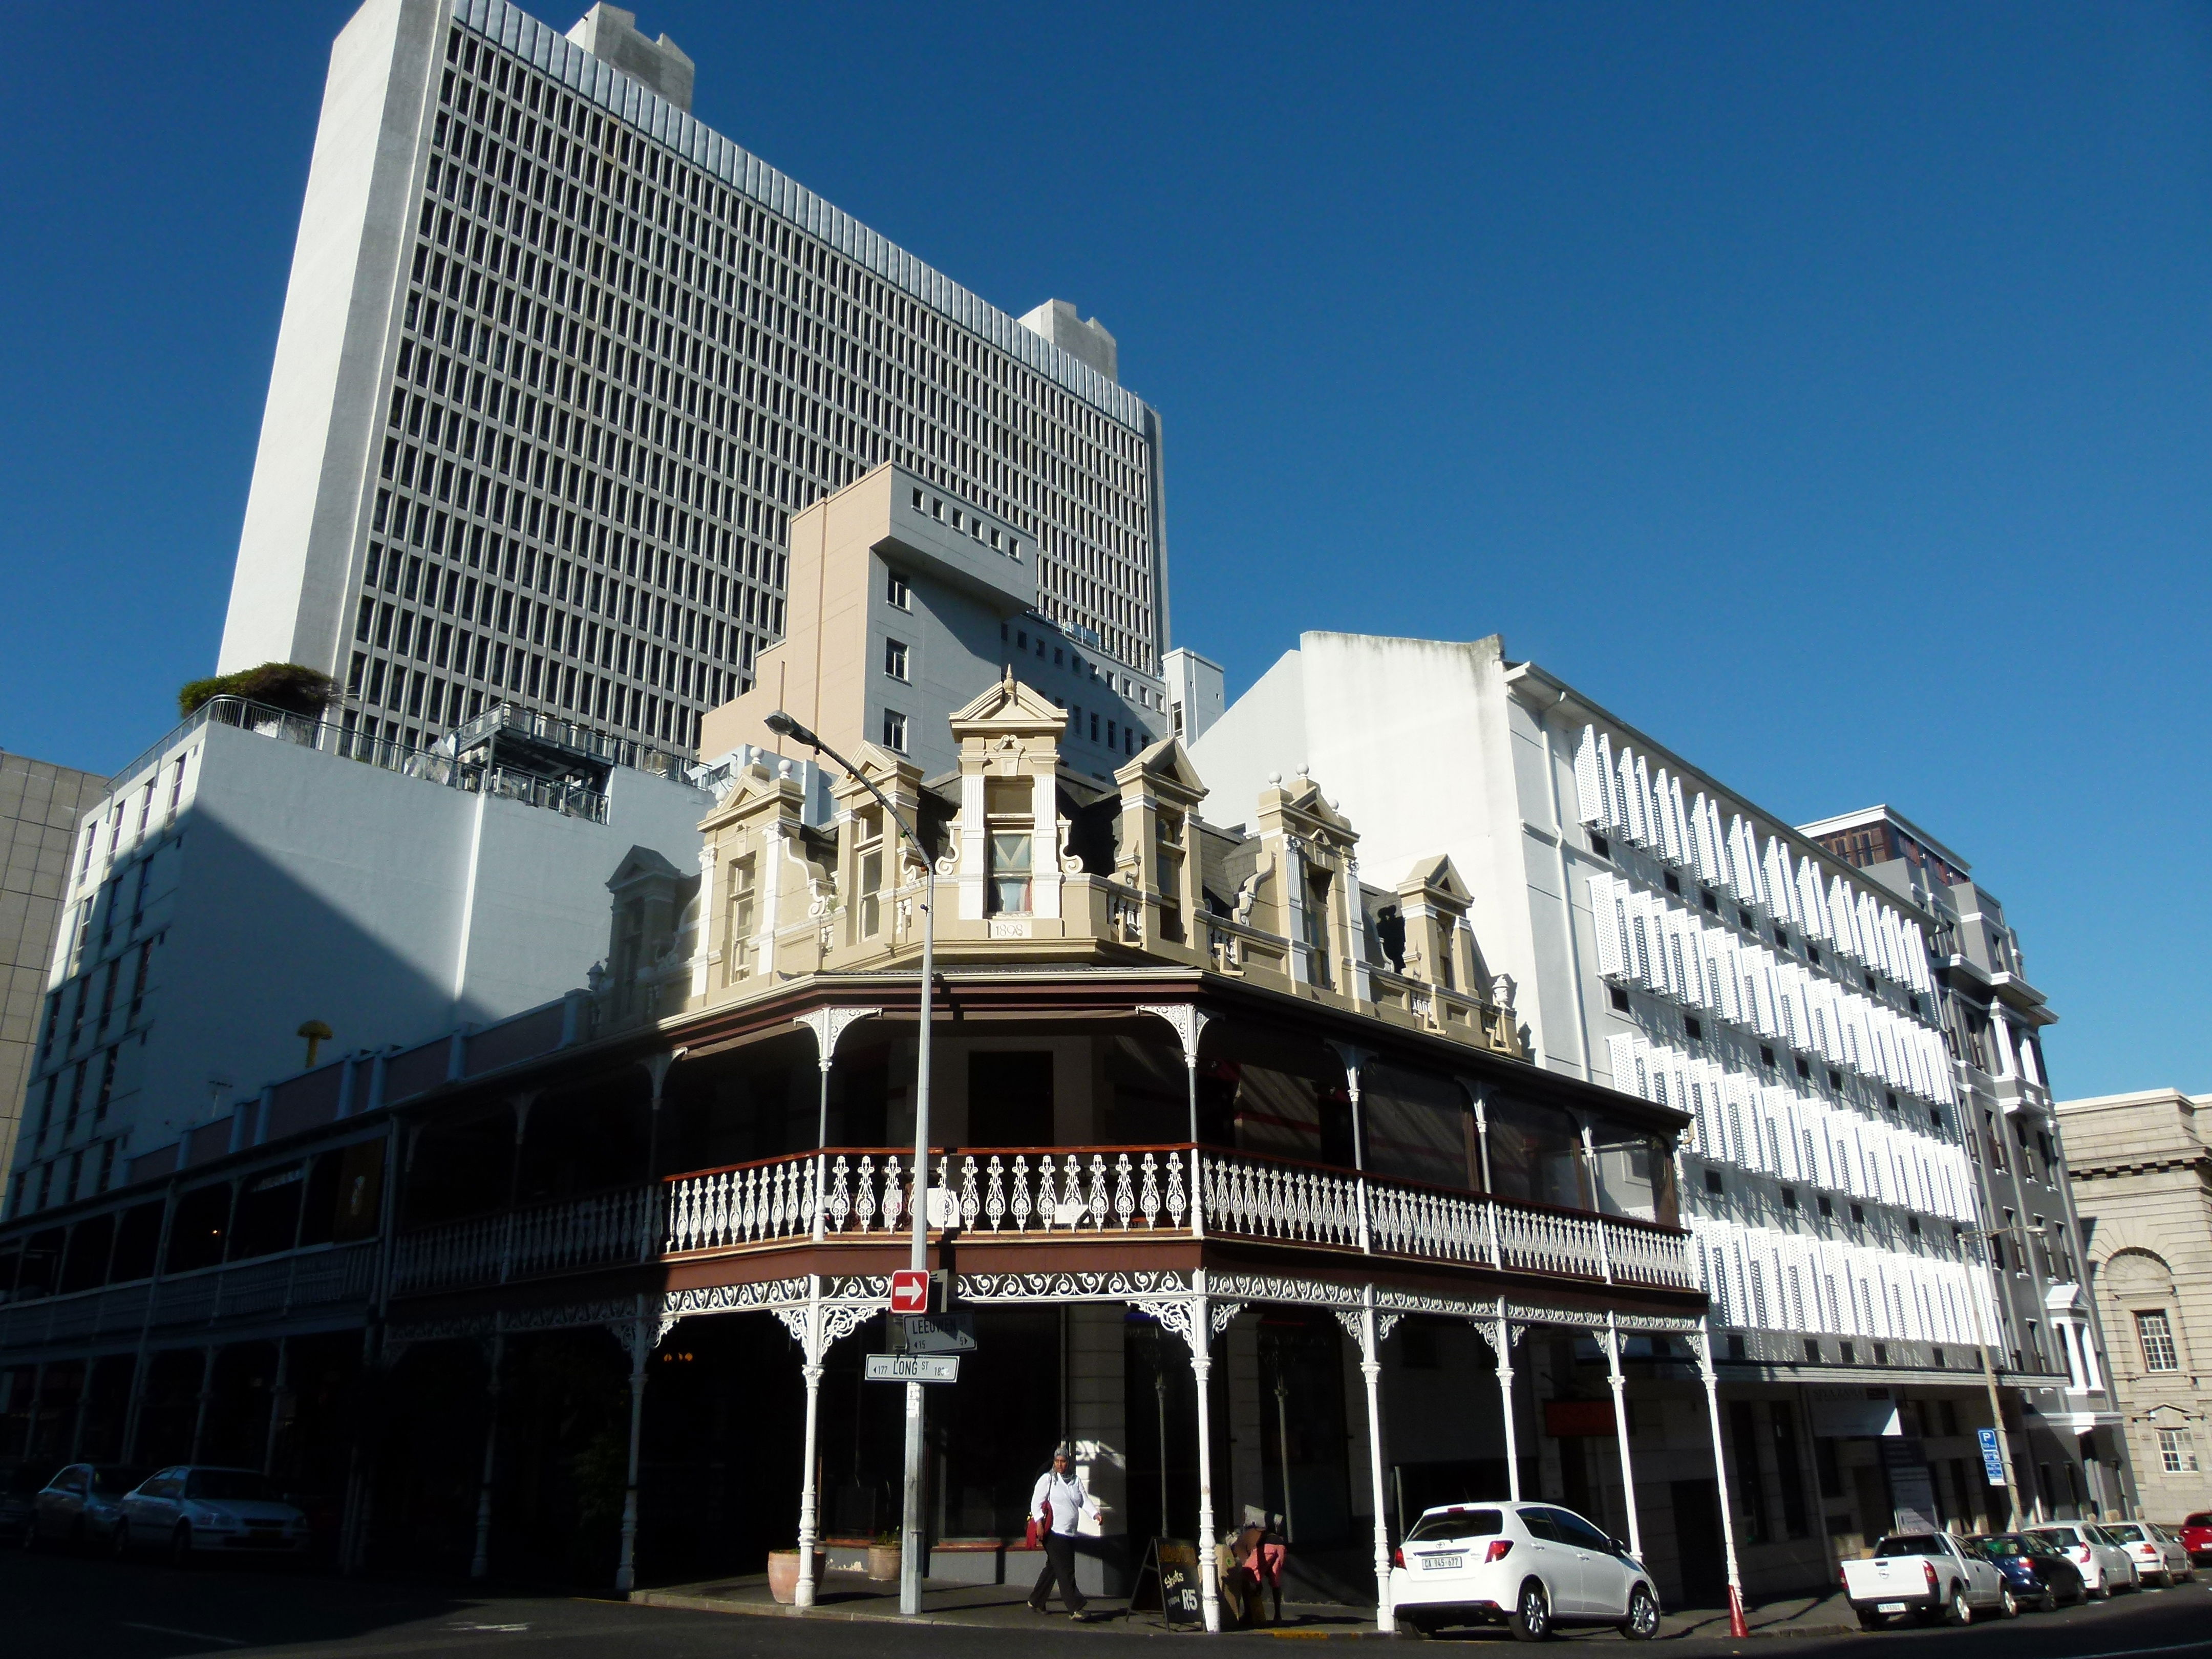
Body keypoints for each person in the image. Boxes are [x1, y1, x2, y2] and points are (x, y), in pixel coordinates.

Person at [1028, 1445, 1102, 1619]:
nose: (1060, 1465)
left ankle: (1036, 1600)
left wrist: (1095, 1514)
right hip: (1053, 1532)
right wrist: (1039, 1522)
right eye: (1057, 1461)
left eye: (1063, 1461)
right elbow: (1036, 1503)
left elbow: (1083, 1500)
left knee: (1054, 1567)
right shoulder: (1048, 1479)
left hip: (1069, 1532)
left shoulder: (1075, 1480)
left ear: (1068, 1463)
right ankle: (1075, 1608)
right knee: (1066, 1570)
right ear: (1054, 1462)